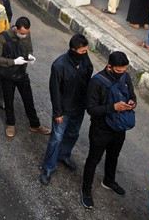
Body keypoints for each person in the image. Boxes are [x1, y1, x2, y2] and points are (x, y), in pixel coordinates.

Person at [81, 51, 137, 209]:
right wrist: (113, 107)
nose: (122, 74)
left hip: (119, 129)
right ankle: (86, 190)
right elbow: (91, 109)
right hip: (101, 129)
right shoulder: (97, 82)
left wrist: (132, 102)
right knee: (93, 160)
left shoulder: (125, 77)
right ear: (109, 67)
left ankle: (109, 180)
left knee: (114, 156)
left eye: (124, 70)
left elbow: (132, 95)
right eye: (118, 71)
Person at [40, 34, 93, 185]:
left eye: (86, 51)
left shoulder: (84, 60)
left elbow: (89, 72)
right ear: (73, 50)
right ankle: (49, 167)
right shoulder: (59, 66)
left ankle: (64, 155)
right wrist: (58, 112)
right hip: (64, 110)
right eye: (82, 51)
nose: (85, 54)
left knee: (73, 134)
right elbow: (55, 91)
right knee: (56, 138)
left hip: (79, 107)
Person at [0, 17, 51, 138]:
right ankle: (10, 124)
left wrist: (30, 56)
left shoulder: (26, 34)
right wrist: (13, 62)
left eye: (27, 33)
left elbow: (29, 48)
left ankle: (35, 124)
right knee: (9, 101)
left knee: (29, 100)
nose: (25, 35)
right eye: (22, 33)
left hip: (22, 74)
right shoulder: (4, 37)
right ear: (16, 29)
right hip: (7, 75)